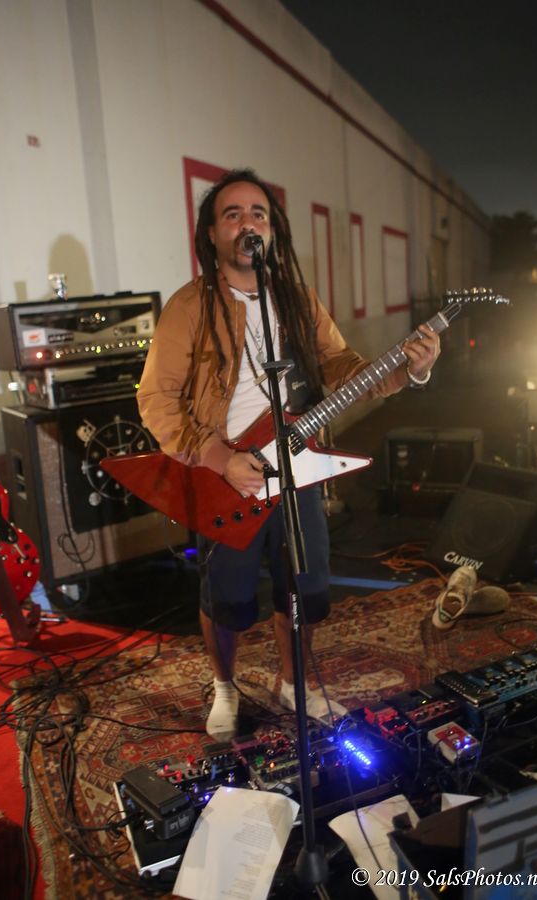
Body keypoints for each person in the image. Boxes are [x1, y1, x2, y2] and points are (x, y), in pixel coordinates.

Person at [137, 168, 440, 740]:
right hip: (229, 475)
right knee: (226, 600)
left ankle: (293, 681)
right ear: (211, 234)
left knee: (305, 588)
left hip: (298, 466)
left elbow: (343, 368)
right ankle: (225, 686)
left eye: (259, 214)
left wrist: (410, 369)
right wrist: (217, 457)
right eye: (232, 214)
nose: (247, 223)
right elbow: (155, 400)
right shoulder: (189, 306)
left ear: (272, 230)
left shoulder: (296, 299)